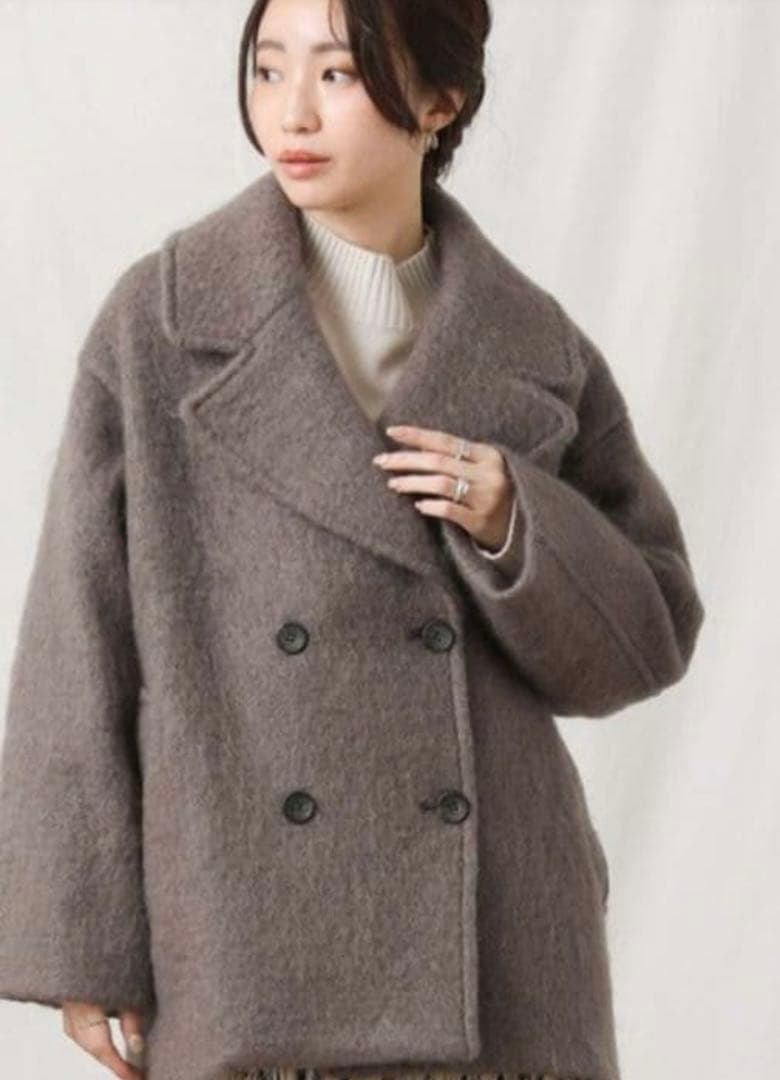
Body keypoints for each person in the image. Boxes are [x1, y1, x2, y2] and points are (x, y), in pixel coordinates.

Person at [0, 2, 705, 1079]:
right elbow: (77, 642)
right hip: (251, 944)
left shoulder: (537, 347)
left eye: (336, 74)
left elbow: (644, 641)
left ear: (440, 101)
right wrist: (83, 940)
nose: (290, 111)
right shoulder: (163, 326)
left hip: (499, 955)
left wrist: (518, 523)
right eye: (267, 69)